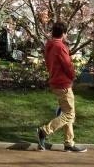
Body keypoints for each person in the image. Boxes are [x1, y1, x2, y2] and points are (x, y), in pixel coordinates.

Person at [36, 21, 87, 153]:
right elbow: (67, 65)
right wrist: (73, 76)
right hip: (63, 83)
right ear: (64, 33)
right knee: (70, 114)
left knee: (66, 112)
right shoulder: (60, 46)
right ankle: (45, 130)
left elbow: (48, 63)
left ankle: (69, 143)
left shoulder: (49, 45)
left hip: (55, 81)